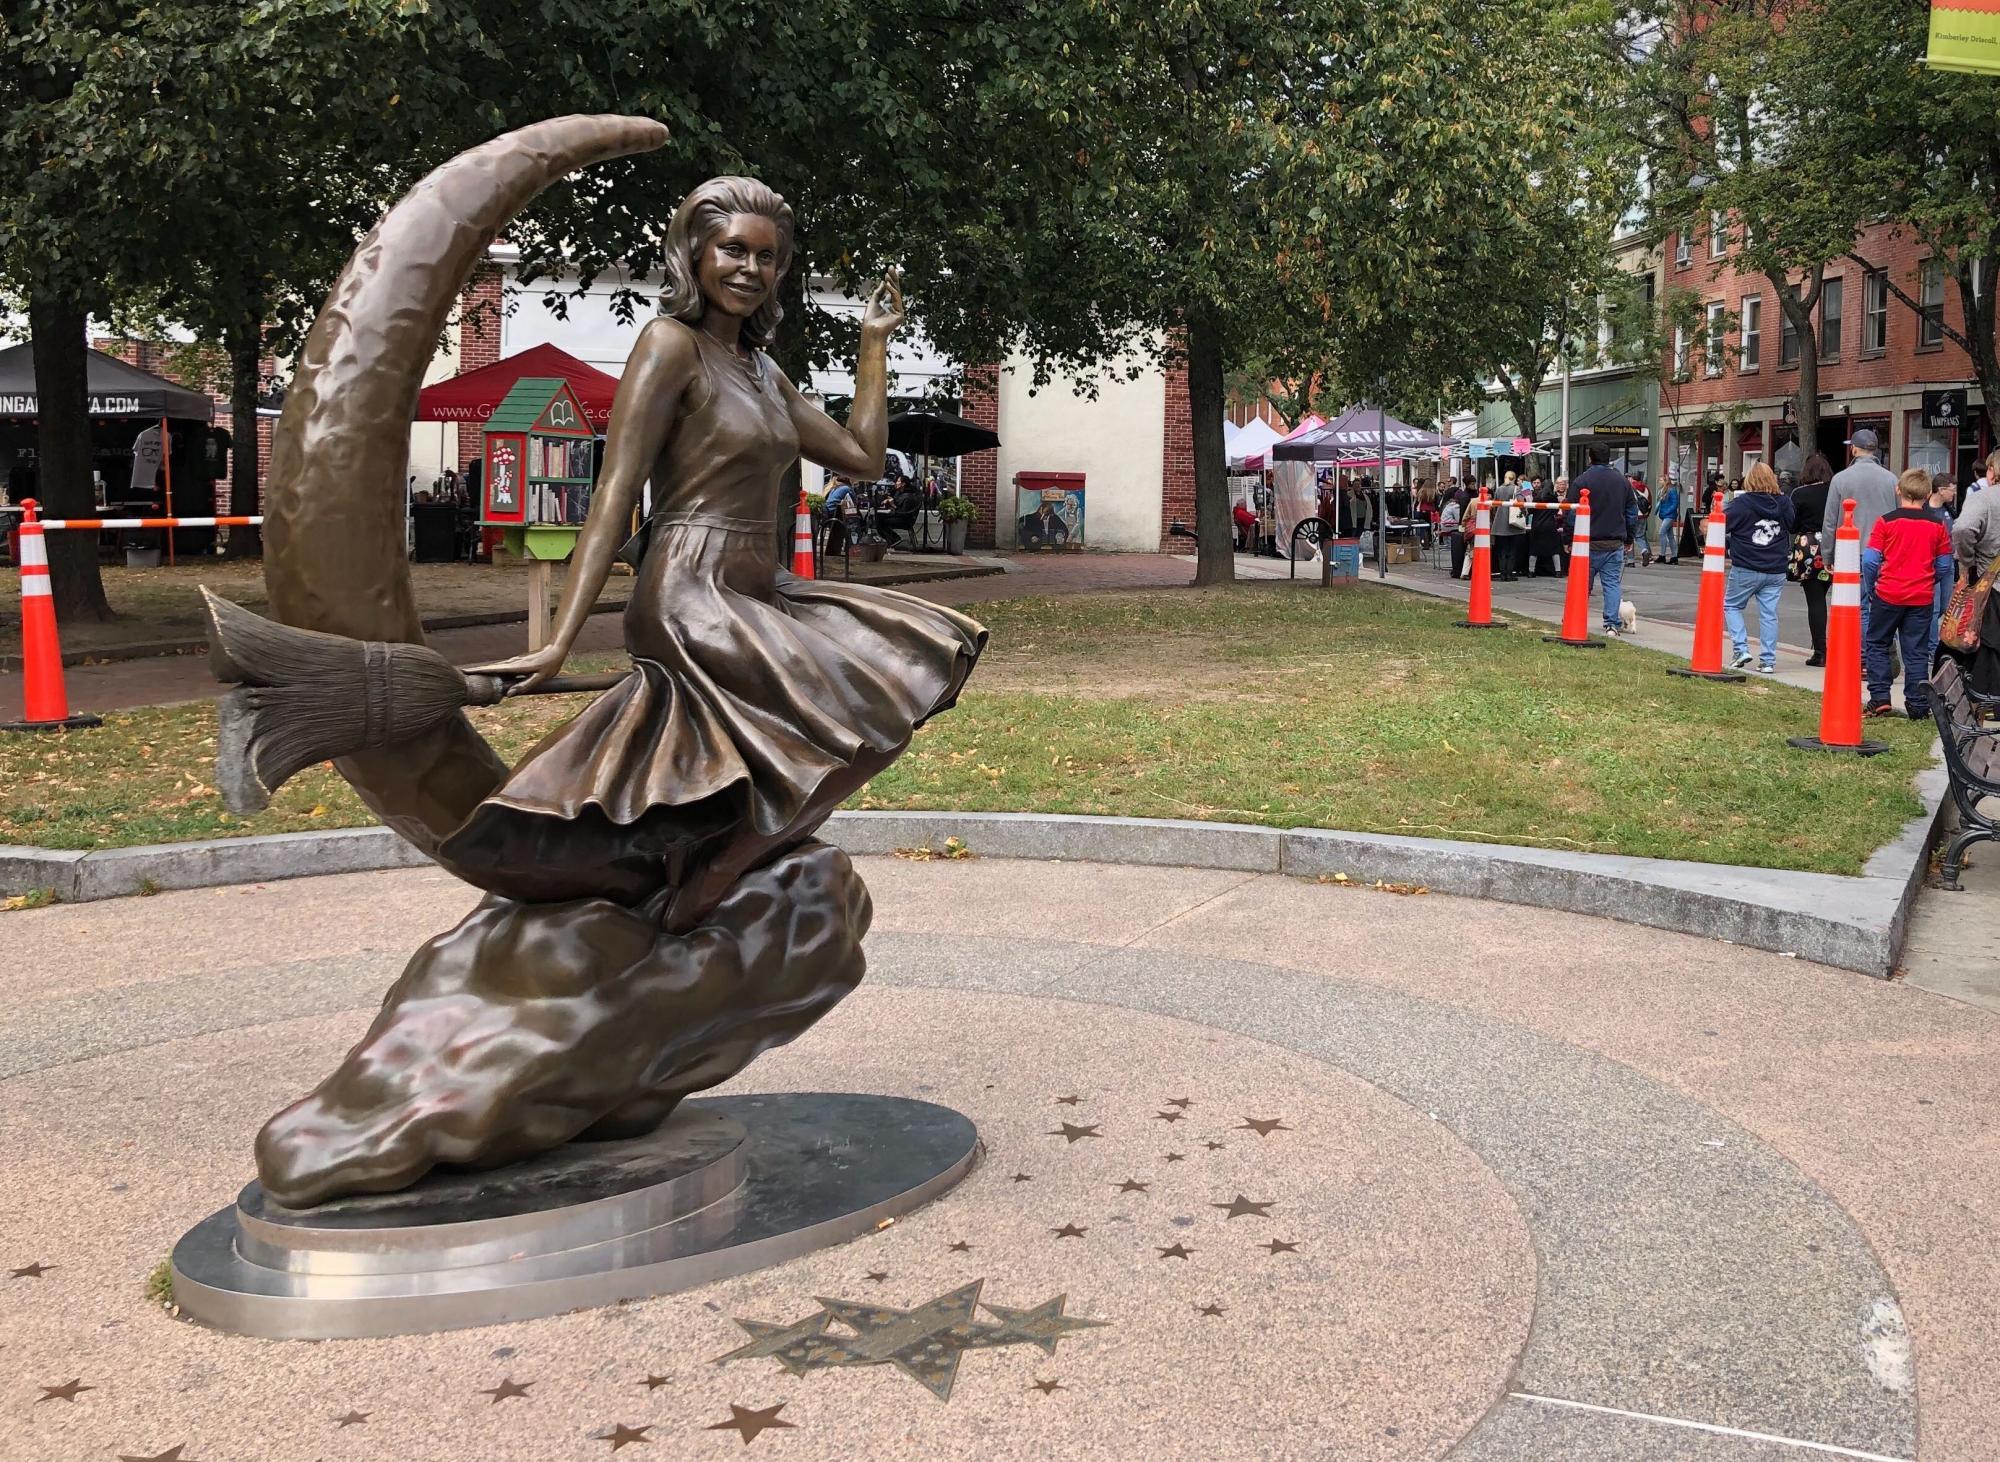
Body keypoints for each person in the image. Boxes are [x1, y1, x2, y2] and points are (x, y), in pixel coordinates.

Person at [462, 176, 983, 917]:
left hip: (759, 584)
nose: (750, 269)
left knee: (915, 670)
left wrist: (873, 346)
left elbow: (863, 457)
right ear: (694, 255)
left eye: (767, 258)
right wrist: (557, 643)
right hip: (688, 589)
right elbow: (615, 492)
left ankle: (728, 862)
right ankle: (706, 880)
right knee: (847, 716)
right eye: (733, 250)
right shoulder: (669, 347)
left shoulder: (763, 369)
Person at [1861, 468, 1954, 718]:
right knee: (1916, 651)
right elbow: (1945, 565)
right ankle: (1917, 703)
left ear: (1898, 490)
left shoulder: (1886, 521)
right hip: (1921, 596)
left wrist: (1873, 586)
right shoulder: (1937, 525)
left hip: (1889, 592)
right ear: (1926, 494)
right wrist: (1928, 579)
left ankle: (1880, 697)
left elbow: (1870, 561)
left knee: (1877, 643)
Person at [1821, 429, 1898, 635]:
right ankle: (1881, 651)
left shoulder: (1841, 479)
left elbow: (1830, 521)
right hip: (1884, 551)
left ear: (1854, 449)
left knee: (1859, 606)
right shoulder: (1891, 479)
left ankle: (1864, 654)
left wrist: (1827, 554)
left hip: (1852, 551)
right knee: (1882, 605)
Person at [1723, 462, 1795, 673]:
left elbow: (1723, 524)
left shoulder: (1742, 503)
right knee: (1769, 614)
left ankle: (1741, 648)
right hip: (1776, 567)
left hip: (1746, 564)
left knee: (1732, 606)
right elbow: (1792, 524)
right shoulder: (1784, 502)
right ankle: (1768, 661)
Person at [1564, 445, 1640, 636]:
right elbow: (1632, 513)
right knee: (1612, 584)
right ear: (1609, 459)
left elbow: (1570, 511)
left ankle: (1574, 616)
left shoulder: (1582, 480)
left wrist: (1568, 537)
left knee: (1582, 584)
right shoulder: (1622, 482)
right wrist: (1630, 537)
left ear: (1590, 458)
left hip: (1587, 543)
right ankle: (1612, 624)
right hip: (1614, 542)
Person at [1788, 454, 1833, 667]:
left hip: (1809, 546)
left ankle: (1820, 651)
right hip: (1834, 544)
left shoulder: (1799, 493)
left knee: (1815, 600)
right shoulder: (1834, 491)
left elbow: (1792, 524)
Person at [1952, 448, 2000, 583]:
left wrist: (1968, 560)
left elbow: (1962, 528)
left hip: (1989, 580)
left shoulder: (1982, 497)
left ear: (1991, 471)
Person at [1490, 472, 1523, 580]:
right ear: (1513, 479)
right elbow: (1521, 503)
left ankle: (1502, 573)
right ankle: (1509, 573)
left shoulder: (1499, 489)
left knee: (1502, 551)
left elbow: (1494, 504)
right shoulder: (1516, 489)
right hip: (1512, 523)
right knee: (1512, 551)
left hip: (1499, 523)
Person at [1528, 478, 1563, 576]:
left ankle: (1531, 571)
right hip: (1550, 525)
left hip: (1537, 526)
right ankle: (1558, 571)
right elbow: (1556, 512)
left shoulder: (1537, 498)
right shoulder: (1553, 498)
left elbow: (1530, 511)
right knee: (1554, 549)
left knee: (1534, 550)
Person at [1440, 486, 1467, 579]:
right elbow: (1459, 519)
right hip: (1450, 527)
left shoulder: (1449, 504)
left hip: (1446, 526)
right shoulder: (1456, 507)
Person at [1654, 476, 1681, 565]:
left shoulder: (1671, 490)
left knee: (1662, 532)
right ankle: (1674, 556)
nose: (1659, 481)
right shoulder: (1662, 490)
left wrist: (1666, 511)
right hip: (1665, 515)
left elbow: (1675, 503)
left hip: (1669, 515)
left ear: (1666, 481)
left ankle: (1662, 555)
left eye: (1661, 480)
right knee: (1670, 536)